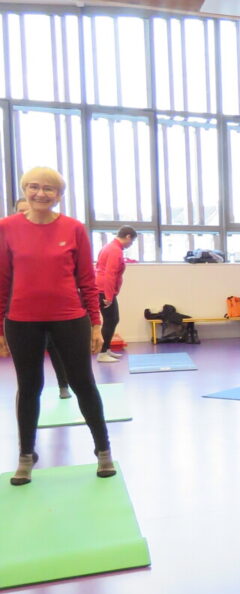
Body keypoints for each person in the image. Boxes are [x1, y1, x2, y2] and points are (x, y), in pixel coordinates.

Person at [0, 167, 115, 485]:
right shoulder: (6, 228)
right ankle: (26, 456)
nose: (41, 193)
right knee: (29, 388)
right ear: (24, 190)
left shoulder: (74, 228)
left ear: (59, 195)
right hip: (22, 321)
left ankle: (103, 450)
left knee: (83, 384)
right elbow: (3, 280)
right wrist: (0, 327)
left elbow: (86, 280)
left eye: (49, 189)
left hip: (69, 319)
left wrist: (95, 323)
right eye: (34, 187)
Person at [13, 197, 71, 398]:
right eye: (20, 210)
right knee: (28, 363)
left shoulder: (50, 235)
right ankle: (27, 393)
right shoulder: (9, 235)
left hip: (51, 310)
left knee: (55, 349)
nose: (24, 213)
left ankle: (63, 385)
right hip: (21, 313)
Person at [95, 225, 137, 363]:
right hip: (103, 290)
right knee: (110, 320)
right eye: (132, 241)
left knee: (113, 319)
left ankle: (106, 349)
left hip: (103, 289)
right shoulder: (115, 250)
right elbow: (110, 274)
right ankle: (102, 353)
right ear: (128, 237)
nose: (131, 244)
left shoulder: (110, 247)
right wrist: (108, 296)